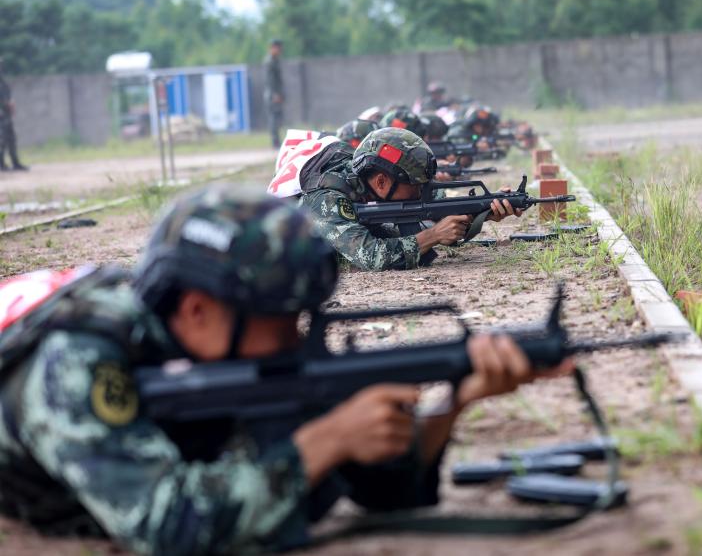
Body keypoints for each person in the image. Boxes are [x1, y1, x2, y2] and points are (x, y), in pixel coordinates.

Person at [0, 185, 565, 555]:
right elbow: (165, 525)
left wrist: (453, 402)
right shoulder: (77, 364)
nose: (295, 332)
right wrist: (328, 438)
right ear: (197, 310)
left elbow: (378, 490)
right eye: (278, 315)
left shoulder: (223, 347)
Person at [301, 127, 521, 271]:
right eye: (416, 185)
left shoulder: (380, 175)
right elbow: (370, 255)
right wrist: (433, 235)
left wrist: (482, 209)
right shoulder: (328, 198)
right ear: (381, 182)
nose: (422, 191)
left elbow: (436, 207)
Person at [0, 57, 27, 171]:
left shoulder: (2, 81)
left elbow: (7, 96)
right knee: (1, 140)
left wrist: (11, 103)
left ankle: (15, 162)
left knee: (11, 138)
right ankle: (1, 164)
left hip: (6, 114)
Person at [264, 39, 285, 149]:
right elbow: (270, 80)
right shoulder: (270, 61)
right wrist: (275, 94)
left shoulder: (275, 60)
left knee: (277, 118)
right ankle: (275, 142)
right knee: (273, 119)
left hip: (274, 94)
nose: (280, 50)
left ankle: (277, 141)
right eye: (278, 48)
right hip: (272, 95)